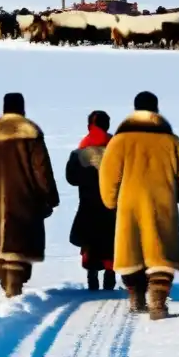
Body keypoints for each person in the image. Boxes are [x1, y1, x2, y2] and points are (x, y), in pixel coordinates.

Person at [99, 91, 179, 320]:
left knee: (131, 252)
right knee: (161, 254)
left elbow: (108, 175)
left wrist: (111, 201)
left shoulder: (120, 141)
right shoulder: (171, 141)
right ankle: (158, 304)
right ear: (156, 110)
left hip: (129, 204)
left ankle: (136, 299)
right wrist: (176, 194)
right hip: (162, 203)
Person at [0, 92, 60, 298]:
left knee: (3, 242)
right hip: (25, 200)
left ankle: (6, 278)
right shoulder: (31, 137)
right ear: (22, 109)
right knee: (21, 245)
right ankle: (15, 282)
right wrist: (49, 197)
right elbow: (42, 170)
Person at [65, 110, 117, 291]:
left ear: (89, 127)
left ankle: (91, 276)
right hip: (112, 205)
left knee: (89, 240)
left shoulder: (79, 152)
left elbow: (71, 179)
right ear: (108, 126)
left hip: (87, 203)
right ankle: (110, 274)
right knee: (111, 240)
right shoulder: (117, 149)